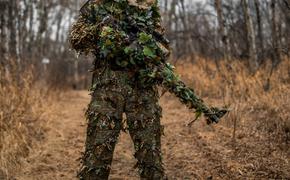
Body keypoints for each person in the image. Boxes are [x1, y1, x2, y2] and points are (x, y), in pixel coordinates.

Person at [69, 0, 227, 179]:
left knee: (151, 162)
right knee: (95, 162)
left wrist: (142, 49)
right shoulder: (97, 5)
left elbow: (162, 47)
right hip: (107, 89)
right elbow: (76, 39)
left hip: (143, 89)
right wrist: (102, 30)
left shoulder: (147, 7)